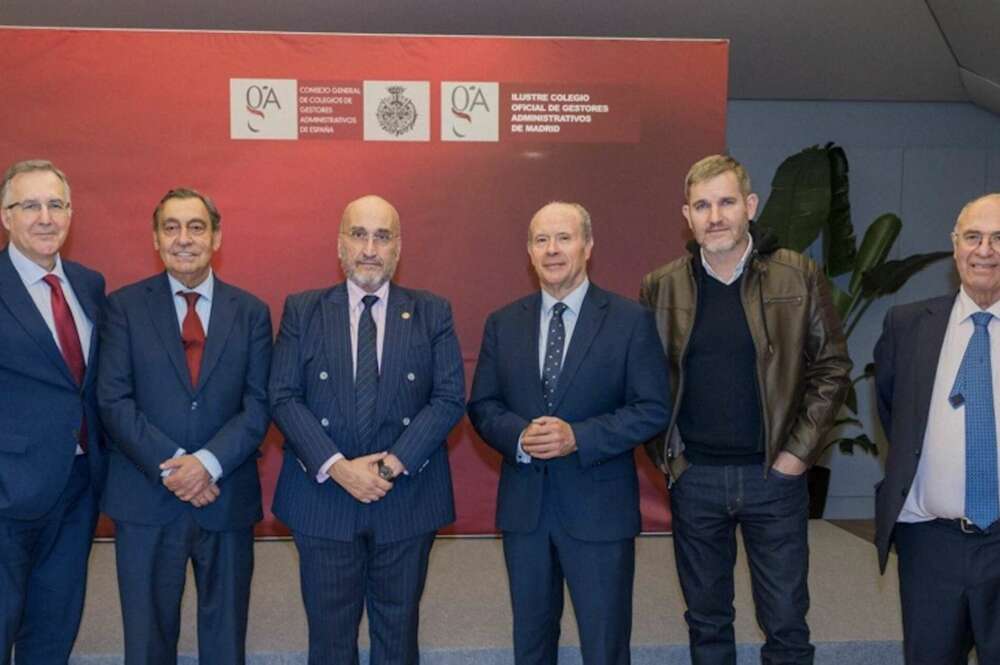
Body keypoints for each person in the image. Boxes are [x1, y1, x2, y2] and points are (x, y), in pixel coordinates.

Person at [640, 154, 851, 665]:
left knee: (785, 623)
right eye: (703, 205)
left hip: (773, 478)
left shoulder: (797, 275)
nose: (715, 216)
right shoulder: (661, 286)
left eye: (727, 202)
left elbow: (832, 368)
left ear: (750, 206)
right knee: (707, 624)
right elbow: (644, 384)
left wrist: (795, 458)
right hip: (697, 481)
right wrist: (673, 463)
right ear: (686, 215)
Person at [468, 201, 671, 665]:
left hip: (599, 512)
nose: (553, 249)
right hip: (526, 514)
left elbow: (651, 409)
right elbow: (483, 406)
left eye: (564, 238)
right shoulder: (503, 323)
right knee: (532, 645)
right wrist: (520, 436)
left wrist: (578, 436)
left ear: (588, 247)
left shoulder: (629, 320)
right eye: (542, 240)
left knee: (605, 646)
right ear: (529, 251)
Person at [269, 195, 465, 665]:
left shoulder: (431, 312)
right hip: (323, 502)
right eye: (359, 234)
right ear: (340, 244)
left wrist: (389, 463)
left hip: (405, 499)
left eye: (383, 236)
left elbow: (449, 397)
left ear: (399, 247)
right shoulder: (303, 310)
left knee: (397, 638)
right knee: (330, 642)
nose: (370, 248)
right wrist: (338, 468)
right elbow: (282, 396)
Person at [98, 188, 272, 665]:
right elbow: (112, 400)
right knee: (148, 643)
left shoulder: (252, 312)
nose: (184, 239)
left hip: (226, 496)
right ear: (155, 240)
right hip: (146, 500)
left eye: (196, 227)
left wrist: (208, 465)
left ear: (216, 237)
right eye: (171, 228)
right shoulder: (123, 308)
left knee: (225, 642)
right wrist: (179, 469)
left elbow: (259, 405)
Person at [874, 193, 1000, 664]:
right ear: (955, 246)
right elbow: (894, 413)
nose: (984, 250)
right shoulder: (908, 325)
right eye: (973, 237)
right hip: (931, 543)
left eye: (998, 238)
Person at [0, 159, 106, 665]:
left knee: (53, 632)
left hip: (77, 491)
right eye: (30, 205)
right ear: (5, 217)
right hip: (6, 496)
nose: (46, 217)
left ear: (71, 213)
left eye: (56, 204)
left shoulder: (89, 285)